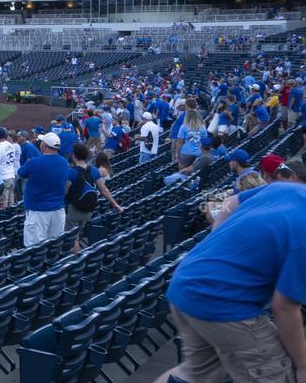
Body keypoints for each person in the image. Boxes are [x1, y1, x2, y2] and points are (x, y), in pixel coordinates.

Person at [156, 182, 306, 383]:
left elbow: (228, 203)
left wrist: (217, 246)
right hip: (223, 301)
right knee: (278, 375)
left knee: (193, 373)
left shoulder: (284, 188)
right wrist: (303, 366)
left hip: (186, 280)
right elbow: (285, 308)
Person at [17, 133, 69, 247]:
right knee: (54, 247)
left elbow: (20, 173)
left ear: (44, 145)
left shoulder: (34, 162)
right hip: (58, 210)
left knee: (34, 249)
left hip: (38, 211)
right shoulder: (64, 162)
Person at [65, 143, 121, 245]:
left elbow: (64, 192)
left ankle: (78, 259)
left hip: (73, 211)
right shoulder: (94, 171)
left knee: (73, 239)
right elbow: (104, 190)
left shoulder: (71, 172)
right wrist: (115, 204)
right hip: (88, 211)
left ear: (73, 156)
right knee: (77, 236)